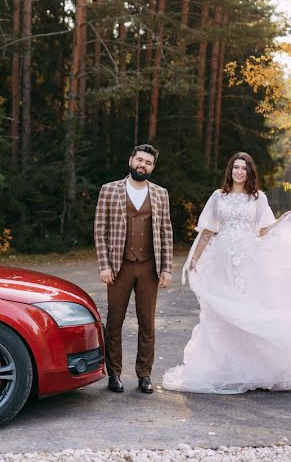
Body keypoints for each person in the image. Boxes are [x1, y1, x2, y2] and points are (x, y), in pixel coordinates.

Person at [162, 152, 291, 394]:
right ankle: (223, 368)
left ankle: (255, 369)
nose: (239, 172)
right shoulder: (218, 197)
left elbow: (263, 230)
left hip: (248, 260)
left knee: (249, 307)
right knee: (222, 312)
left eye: (244, 168)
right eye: (236, 167)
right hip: (222, 259)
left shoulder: (257, 198)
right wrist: (195, 258)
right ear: (230, 170)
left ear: (250, 172)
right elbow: (208, 231)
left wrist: (284, 219)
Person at [94, 144, 174, 394]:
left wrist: (167, 268)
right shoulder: (109, 190)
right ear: (131, 161)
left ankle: (144, 375)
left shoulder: (161, 194)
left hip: (150, 267)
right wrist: (105, 265)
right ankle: (114, 374)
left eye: (148, 162)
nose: (143, 165)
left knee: (147, 324)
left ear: (153, 167)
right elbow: (100, 229)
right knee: (114, 321)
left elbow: (166, 231)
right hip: (119, 267)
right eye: (140, 160)